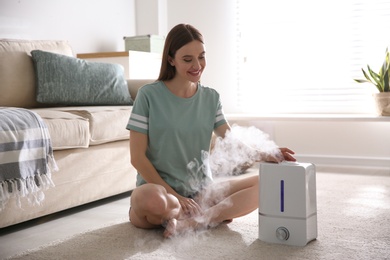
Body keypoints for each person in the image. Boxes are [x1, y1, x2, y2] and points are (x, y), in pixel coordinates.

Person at [126, 23, 296, 238]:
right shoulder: (148, 96)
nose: (197, 65)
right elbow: (137, 158)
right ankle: (202, 214)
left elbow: (230, 139)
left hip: (200, 193)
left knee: (265, 183)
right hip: (161, 192)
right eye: (187, 59)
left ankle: (192, 222)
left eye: (201, 57)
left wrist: (265, 153)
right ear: (171, 59)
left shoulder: (211, 98)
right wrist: (177, 197)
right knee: (152, 200)